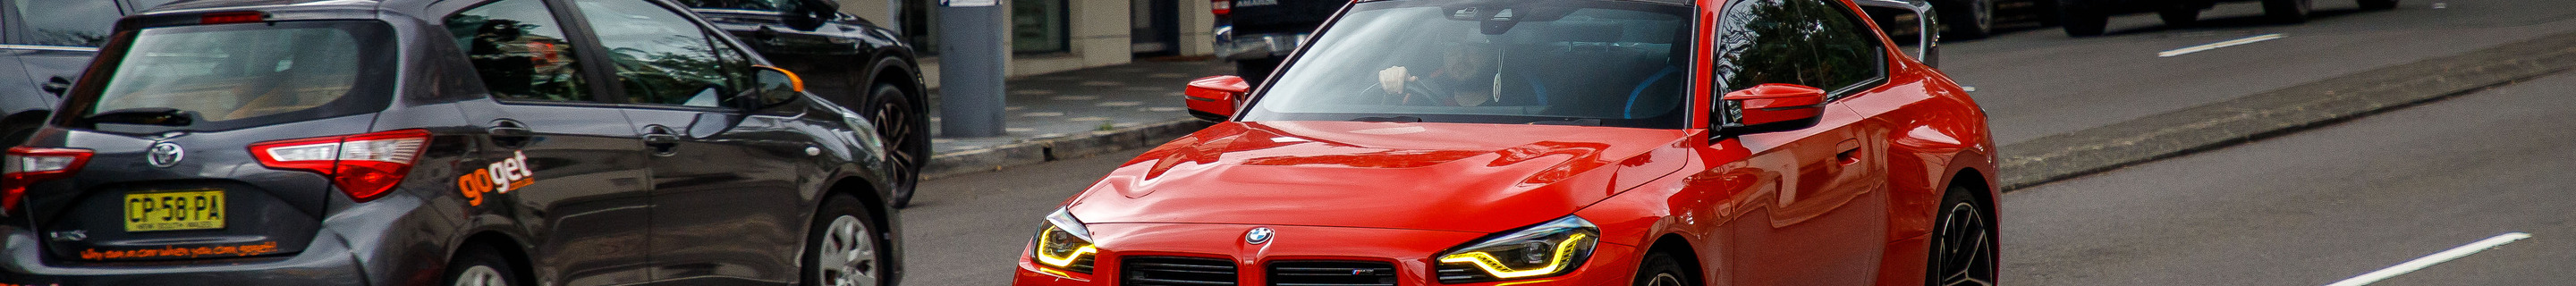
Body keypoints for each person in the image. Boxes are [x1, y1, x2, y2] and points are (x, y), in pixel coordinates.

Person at [1377, 42, 1500, 106]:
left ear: (1491, 57)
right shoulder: (1422, 100)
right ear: (1444, 58)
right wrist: (1393, 88)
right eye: (1452, 49)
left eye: (1472, 49)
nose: (1460, 56)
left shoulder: (1509, 109)